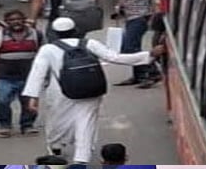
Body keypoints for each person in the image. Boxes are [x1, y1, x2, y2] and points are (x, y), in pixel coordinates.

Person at [22, 16, 164, 163]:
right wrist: (148, 55)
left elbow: (37, 73)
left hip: (60, 93)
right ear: (75, 30)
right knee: (86, 123)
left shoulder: (48, 49)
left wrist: (33, 97)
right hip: (90, 89)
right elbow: (115, 57)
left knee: (57, 122)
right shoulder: (90, 43)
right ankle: (81, 160)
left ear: (54, 33)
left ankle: (55, 147)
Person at [106, 0, 156, 88]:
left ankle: (151, 72)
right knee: (132, 47)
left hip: (141, 16)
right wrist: (119, 6)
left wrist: (153, 16)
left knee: (129, 47)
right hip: (129, 16)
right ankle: (139, 76)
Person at [0, 9, 40, 138]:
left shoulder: (36, 34)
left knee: (28, 102)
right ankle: (5, 125)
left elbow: (42, 53)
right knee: (1, 101)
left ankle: (27, 125)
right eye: (12, 20)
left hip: (29, 76)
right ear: (6, 22)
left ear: (24, 20)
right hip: (5, 76)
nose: (16, 22)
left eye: (19, 19)